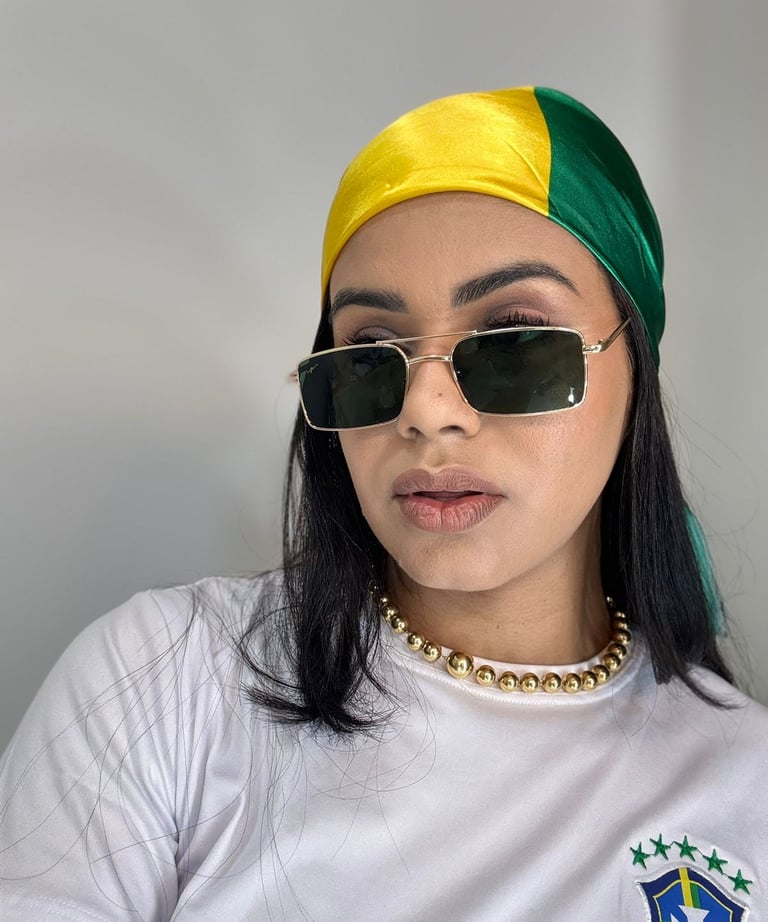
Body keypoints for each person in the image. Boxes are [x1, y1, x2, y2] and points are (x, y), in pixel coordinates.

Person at [1, 86, 766, 921]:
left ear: (637, 370)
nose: (425, 410)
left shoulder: (745, 784)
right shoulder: (165, 680)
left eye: (512, 340)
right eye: (370, 349)